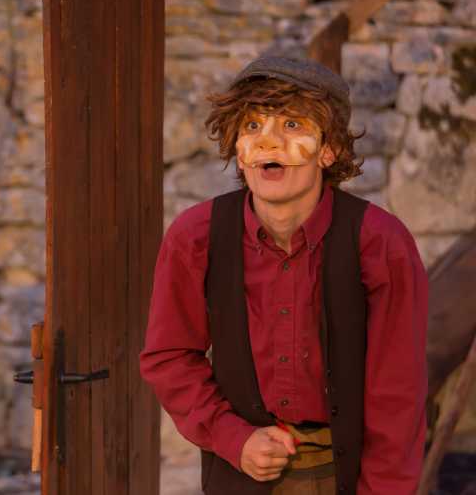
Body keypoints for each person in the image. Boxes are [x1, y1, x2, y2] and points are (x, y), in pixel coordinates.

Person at [140, 56, 428, 494]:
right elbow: (169, 357)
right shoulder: (194, 237)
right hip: (238, 476)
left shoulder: (382, 244)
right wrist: (233, 438)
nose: (267, 142)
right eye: (252, 126)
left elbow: (398, 391)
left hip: (348, 479)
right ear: (236, 148)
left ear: (329, 149)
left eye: (292, 125)